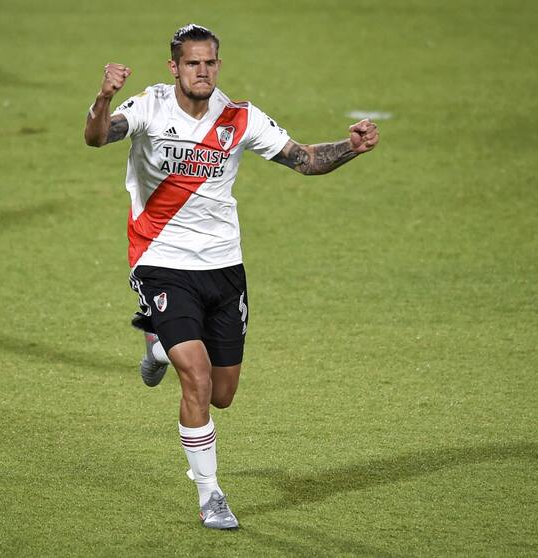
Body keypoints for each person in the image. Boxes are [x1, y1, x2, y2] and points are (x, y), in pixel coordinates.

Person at [84, 23, 379, 530]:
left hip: (224, 268)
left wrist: (350, 146)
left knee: (221, 393)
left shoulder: (239, 117)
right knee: (195, 377)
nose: (203, 71)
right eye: (193, 63)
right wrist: (102, 98)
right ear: (173, 66)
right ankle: (210, 494)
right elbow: (96, 137)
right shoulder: (148, 106)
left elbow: (305, 160)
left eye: (210, 62)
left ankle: (157, 345)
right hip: (161, 260)